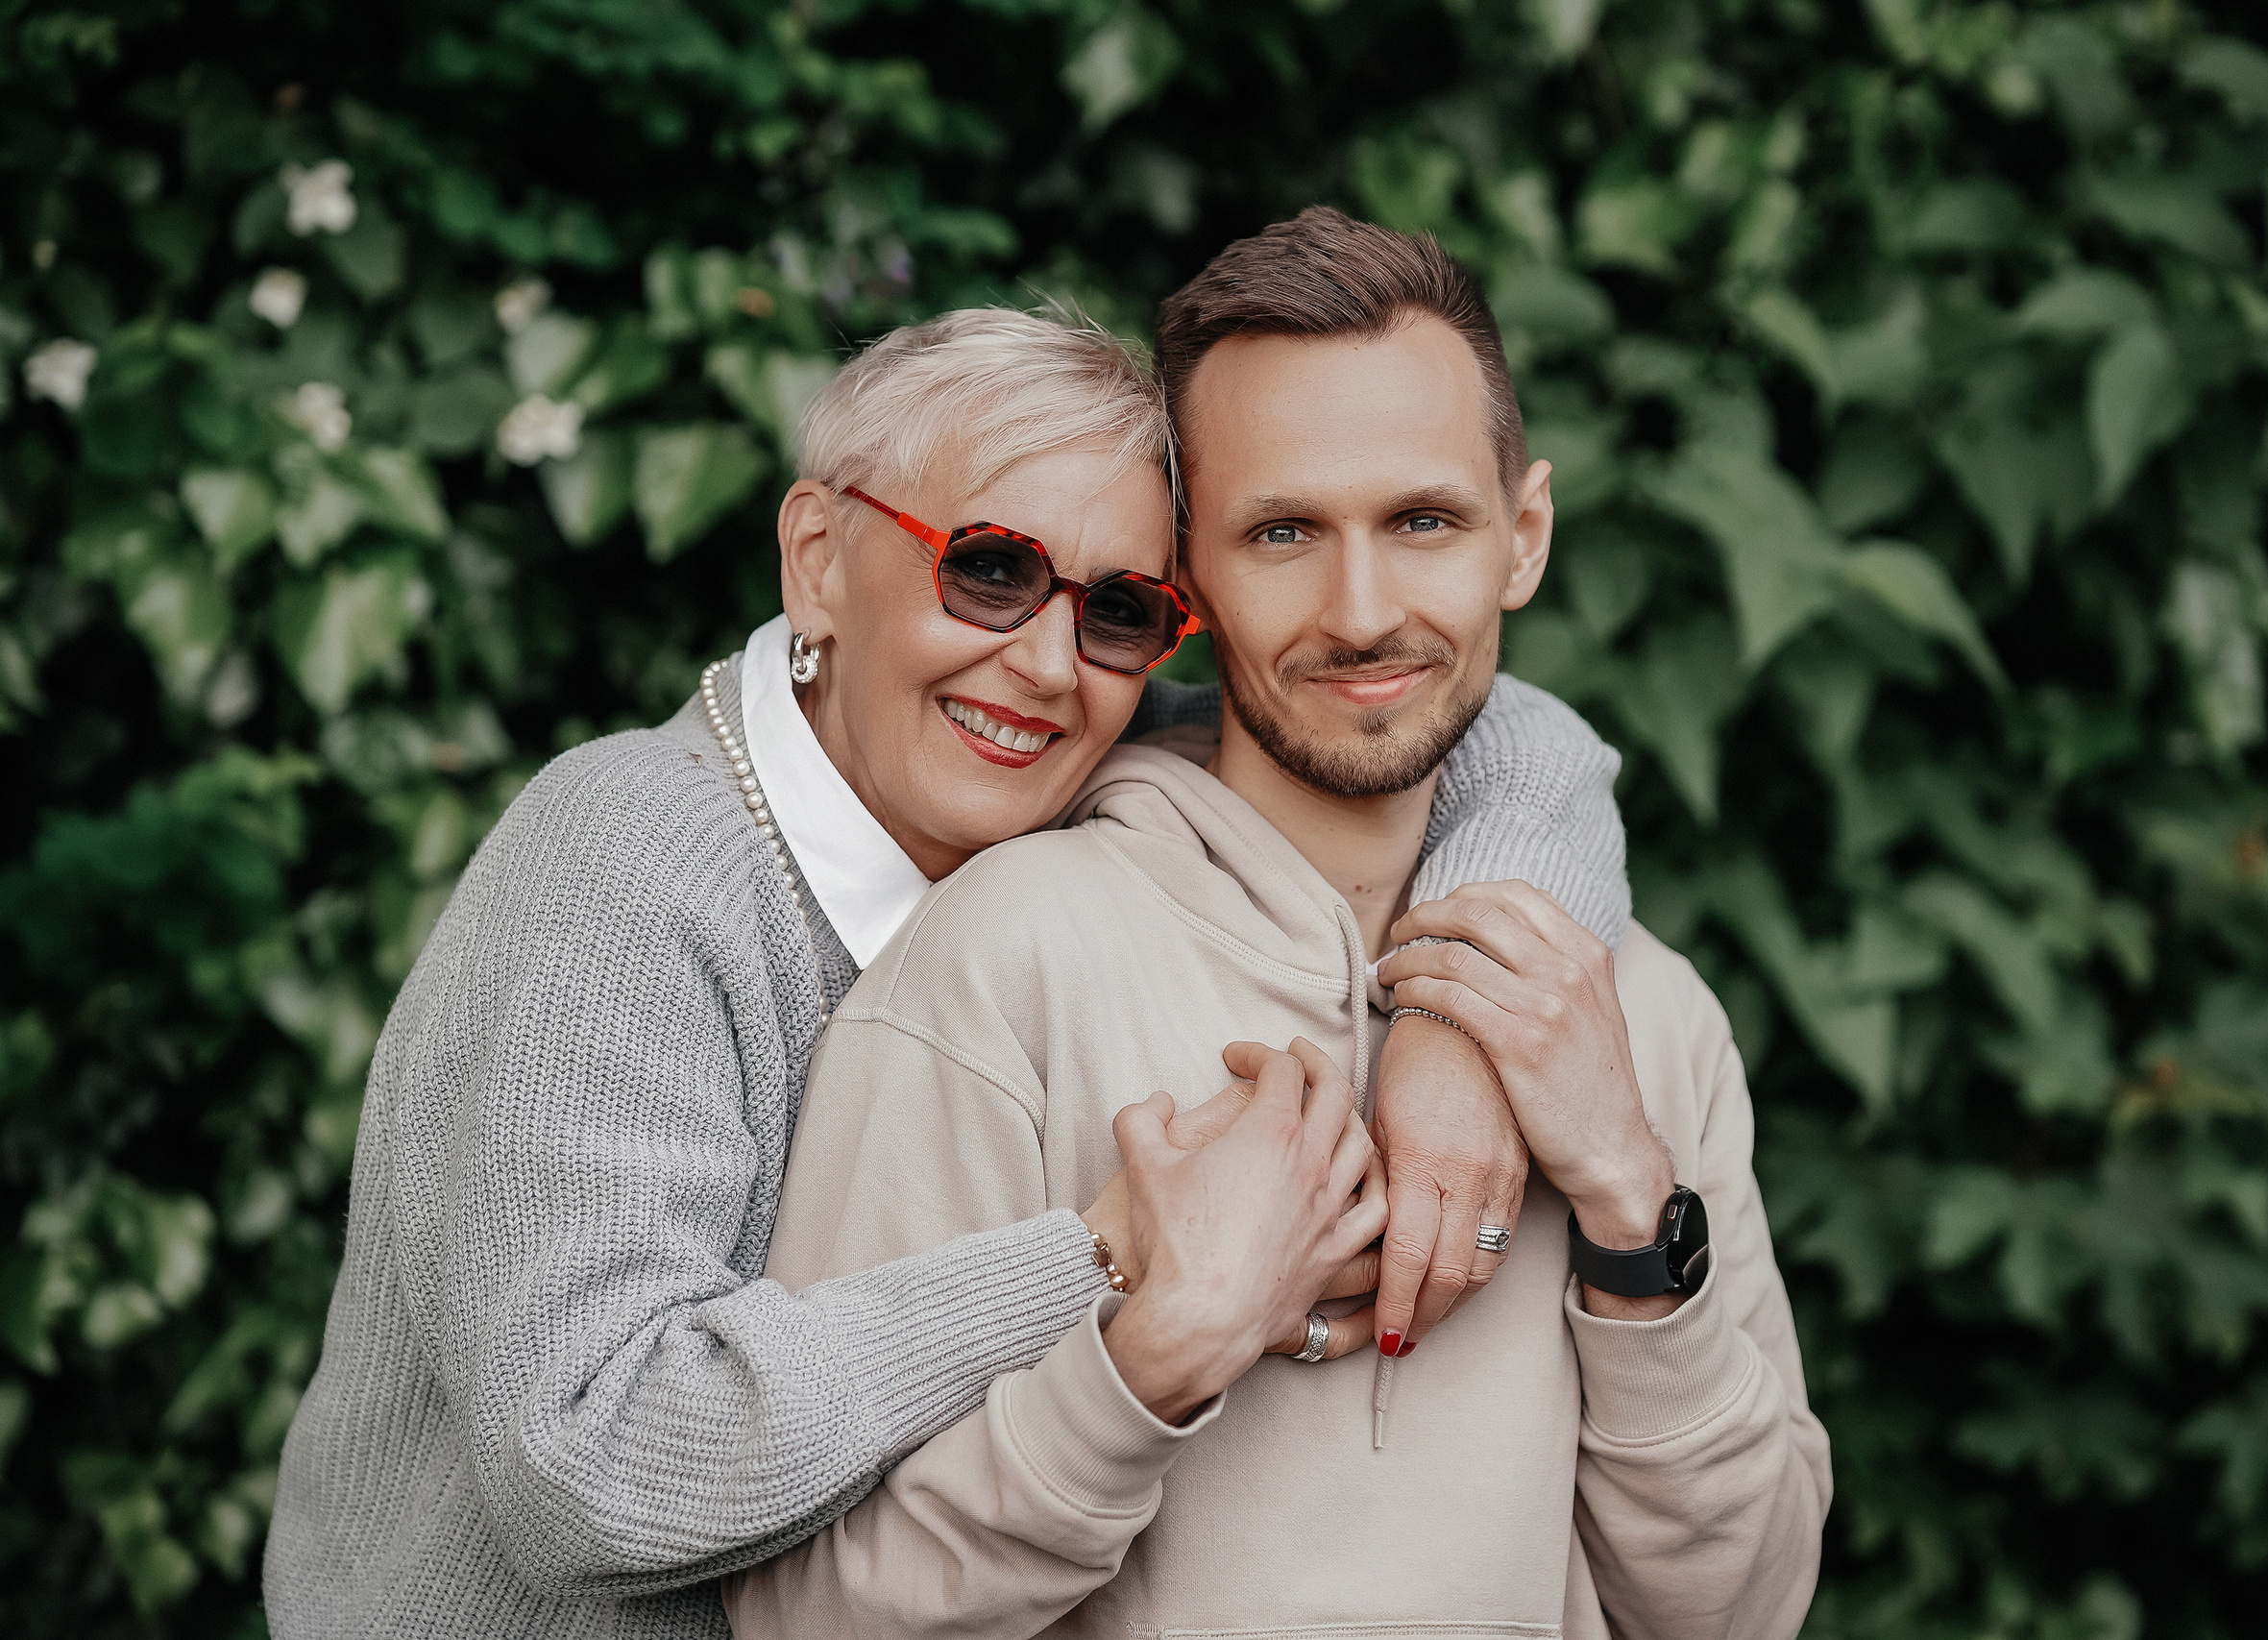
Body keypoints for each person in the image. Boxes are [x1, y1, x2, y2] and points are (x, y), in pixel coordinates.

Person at [265, 306, 1633, 1637]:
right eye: (986, 569)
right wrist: (1116, 1254)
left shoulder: (1087, 750)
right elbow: (590, 1465)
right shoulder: (628, 865)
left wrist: (1453, 1030)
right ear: (816, 558)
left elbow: (1512, 736)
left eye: (1117, 607)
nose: (1043, 664)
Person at [724, 209, 1831, 1640]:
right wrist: (1151, 1362)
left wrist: (1629, 1206)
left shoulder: (1640, 1015)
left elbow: (1743, 1613)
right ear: (1185, 578)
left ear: (1526, 536)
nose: (1362, 612)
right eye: (1284, 533)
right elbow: (808, 1620)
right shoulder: (1011, 960)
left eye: (1424, 522)